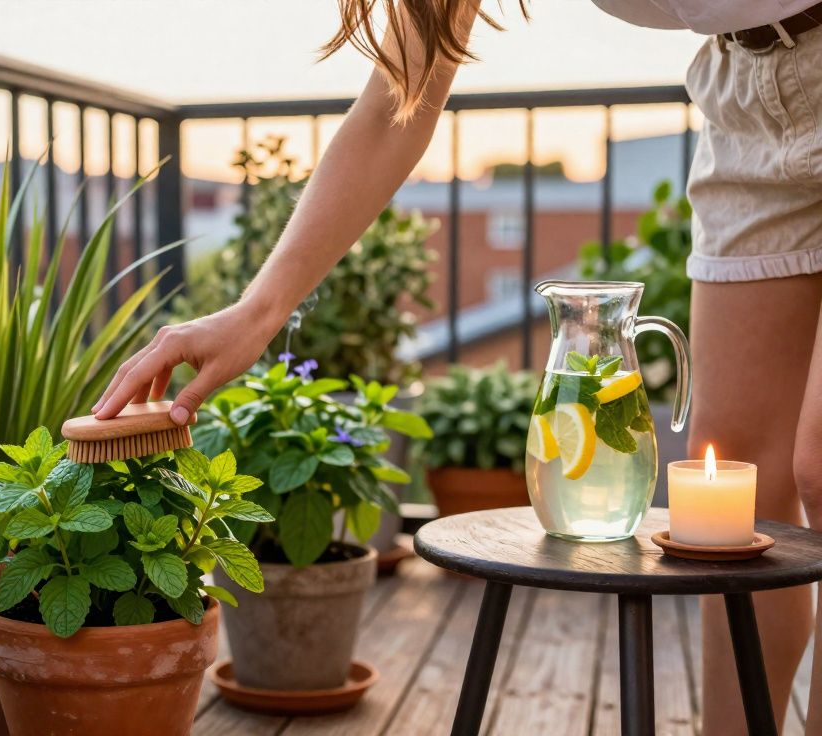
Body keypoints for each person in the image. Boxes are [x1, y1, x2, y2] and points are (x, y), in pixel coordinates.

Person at [92, 1, 822, 734]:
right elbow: (396, 100)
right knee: (739, 491)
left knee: (819, 464)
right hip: (745, 96)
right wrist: (256, 312)